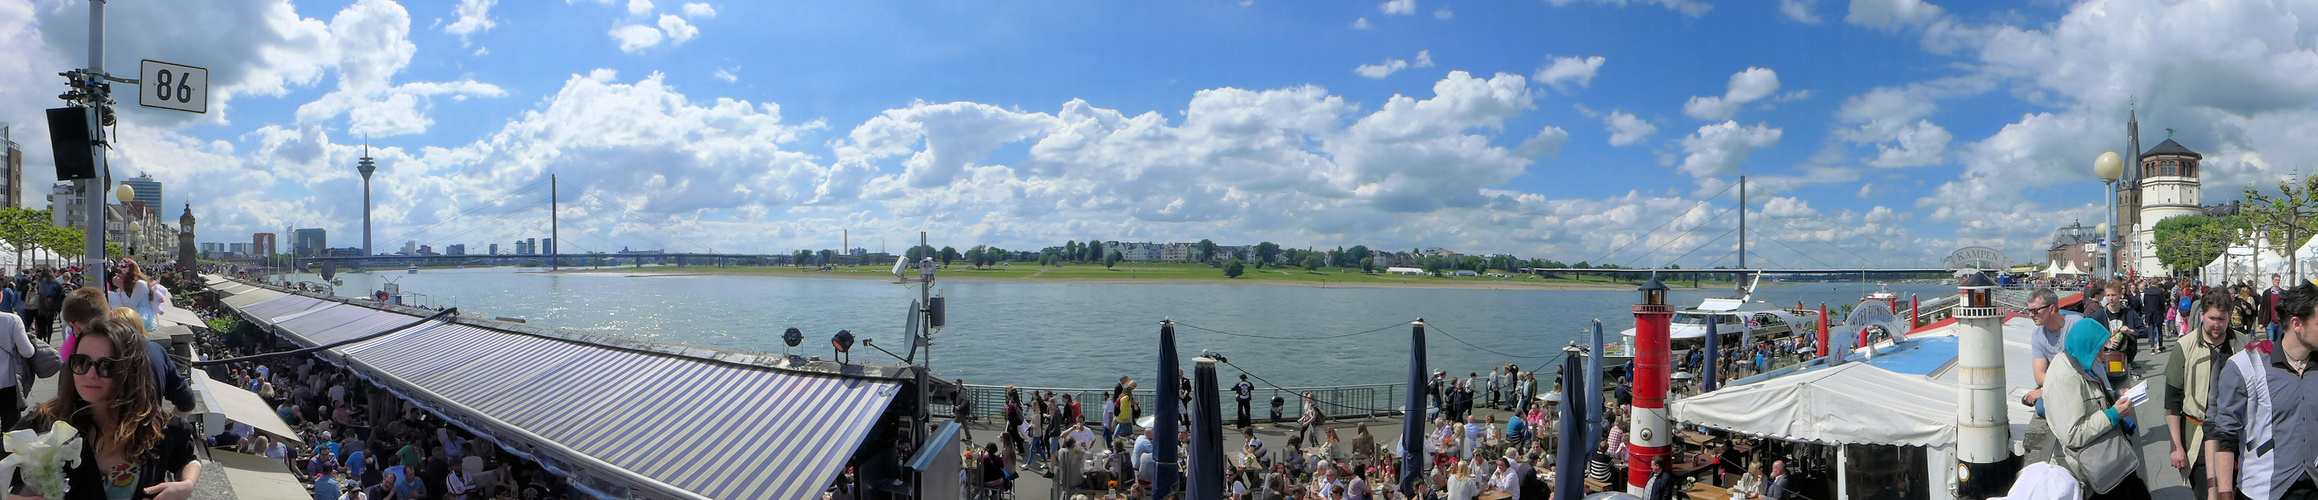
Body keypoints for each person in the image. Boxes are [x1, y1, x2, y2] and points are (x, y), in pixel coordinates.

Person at [3, 316, 199, 500]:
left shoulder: (157, 426)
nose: (90, 374)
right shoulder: (45, 422)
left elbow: (188, 458)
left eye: (106, 366)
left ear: (130, 371)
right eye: (81, 362)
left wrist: (187, 484)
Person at [2208, 282, 2318, 500]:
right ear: (2297, 324)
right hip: (2263, 491)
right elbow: (2225, 436)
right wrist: (2223, 493)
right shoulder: (2245, 366)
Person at [2048, 316, 2149, 500]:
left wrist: (2115, 396)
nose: (2103, 355)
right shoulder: (2064, 378)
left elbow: (2091, 400)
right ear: (2088, 346)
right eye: (2100, 350)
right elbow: (2073, 434)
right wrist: (2113, 414)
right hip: (2095, 468)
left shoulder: (2079, 362)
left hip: (2108, 459)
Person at [2165, 289, 2237, 500]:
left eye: (2222, 319)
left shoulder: (2240, 345)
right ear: (2203, 315)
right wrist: (2176, 447)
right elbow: (2172, 402)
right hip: (2198, 438)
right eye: (2212, 318)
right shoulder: (2185, 347)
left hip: (2235, 438)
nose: (2217, 324)